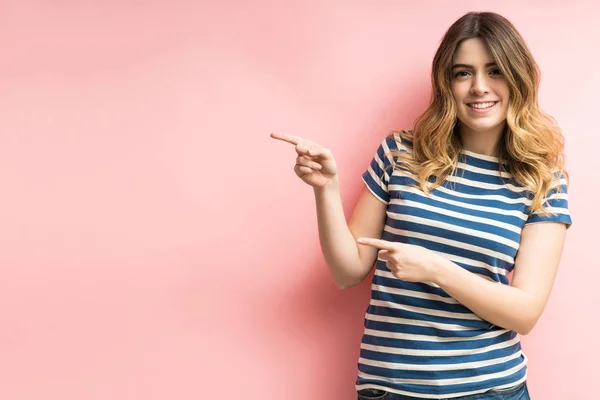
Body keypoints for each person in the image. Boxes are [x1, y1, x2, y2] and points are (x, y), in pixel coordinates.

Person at [271, 11, 571, 400]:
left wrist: (435, 269)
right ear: (447, 83)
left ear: (518, 78)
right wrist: (326, 189)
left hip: (489, 390)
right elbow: (348, 272)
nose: (480, 87)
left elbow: (525, 312)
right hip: (390, 388)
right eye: (463, 73)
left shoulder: (543, 180)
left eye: (495, 71)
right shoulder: (401, 153)